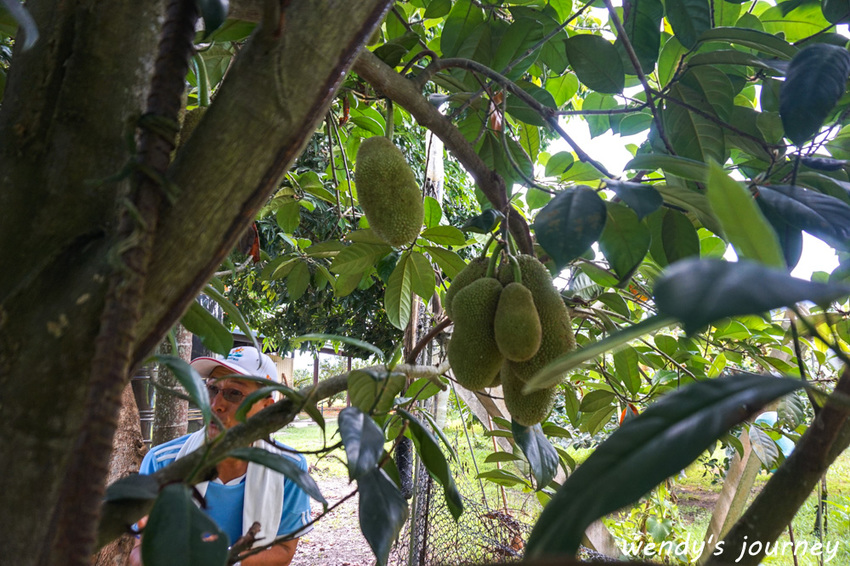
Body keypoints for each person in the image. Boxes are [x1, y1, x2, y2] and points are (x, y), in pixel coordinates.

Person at [130, 346, 312, 566]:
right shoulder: (163, 463)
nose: (216, 405)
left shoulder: (288, 470)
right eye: (212, 390)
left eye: (234, 393)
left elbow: (284, 549)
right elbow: (140, 549)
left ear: (266, 408)